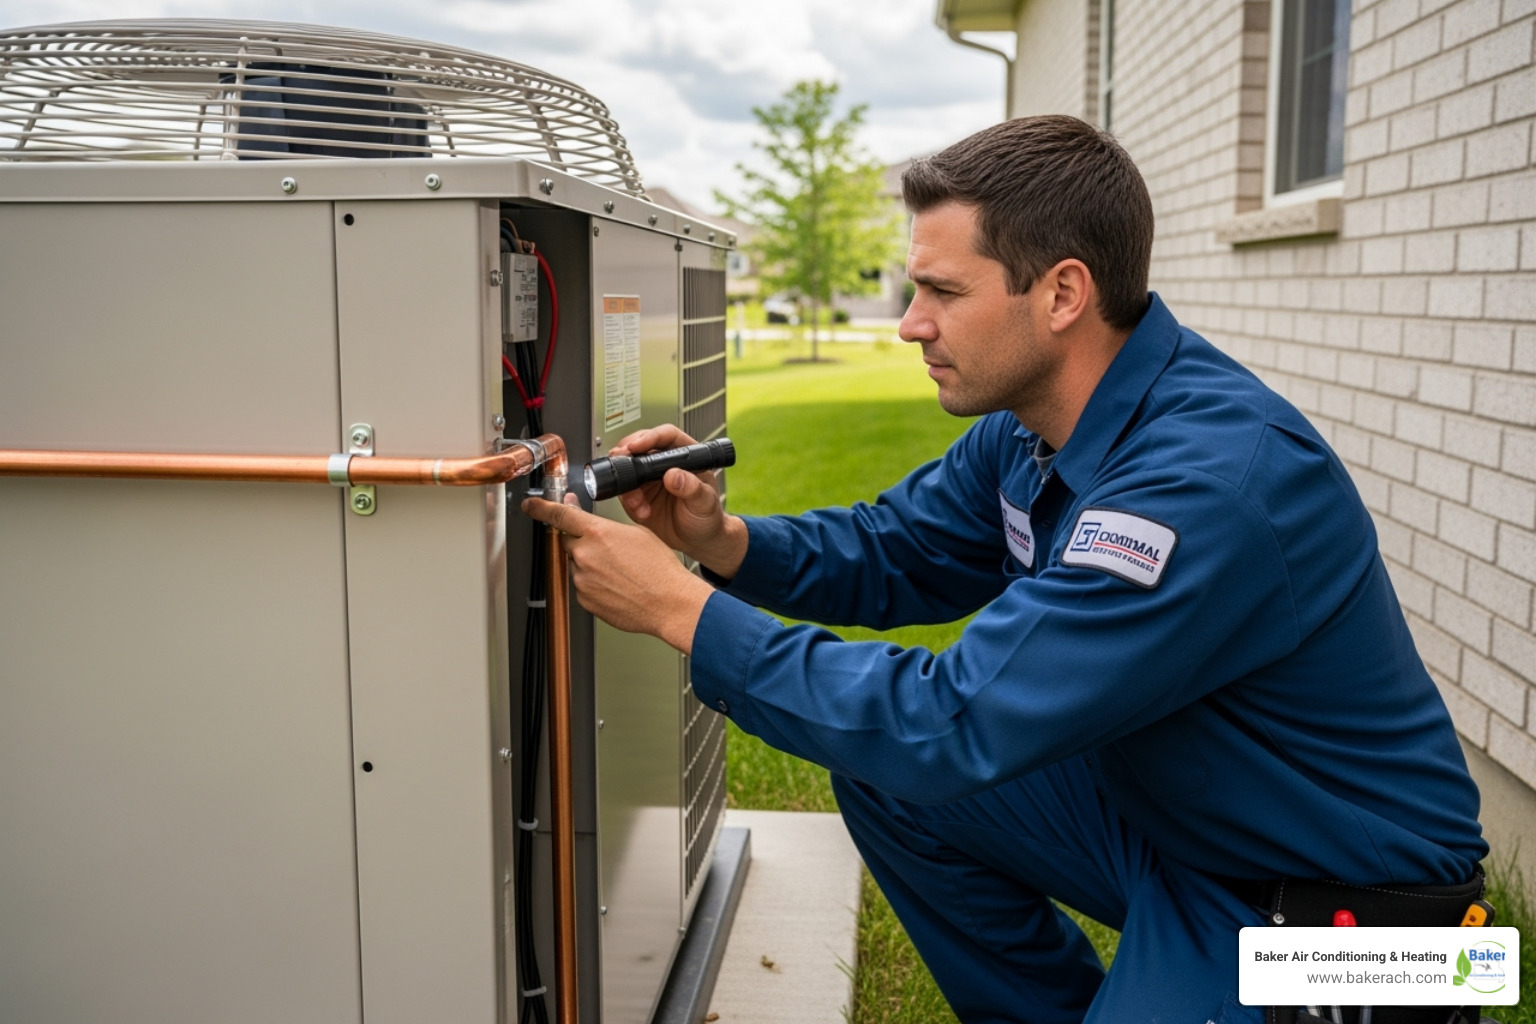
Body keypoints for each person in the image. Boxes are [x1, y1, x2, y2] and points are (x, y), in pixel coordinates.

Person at [524, 115, 1487, 1023]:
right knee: (891, 782)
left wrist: (682, 612)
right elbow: (894, 548)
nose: (910, 324)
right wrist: (720, 545)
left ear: (1062, 295)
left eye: (942, 292)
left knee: (918, 756)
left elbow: (952, 721)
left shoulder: (1210, 483)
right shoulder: (1032, 433)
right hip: (1188, 829)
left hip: (1357, 919)